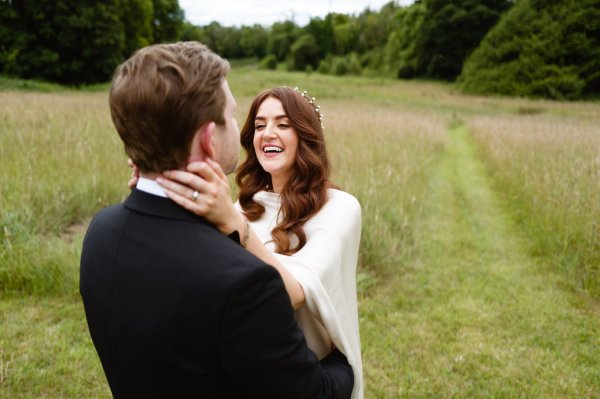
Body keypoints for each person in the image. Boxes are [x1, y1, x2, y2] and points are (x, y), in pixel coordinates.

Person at [79, 41, 354, 399]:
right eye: (233, 115)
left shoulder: (100, 233)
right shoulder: (247, 283)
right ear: (209, 138)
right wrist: (342, 366)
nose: (254, 132)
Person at [152, 86, 364, 398]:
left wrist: (234, 225)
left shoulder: (340, 207)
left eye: (282, 124)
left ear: (306, 135)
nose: (268, 134)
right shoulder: (242, 209)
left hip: (310, 376)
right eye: (260, 125)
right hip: (249, 371)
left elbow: (293, 293)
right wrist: (159, 187)